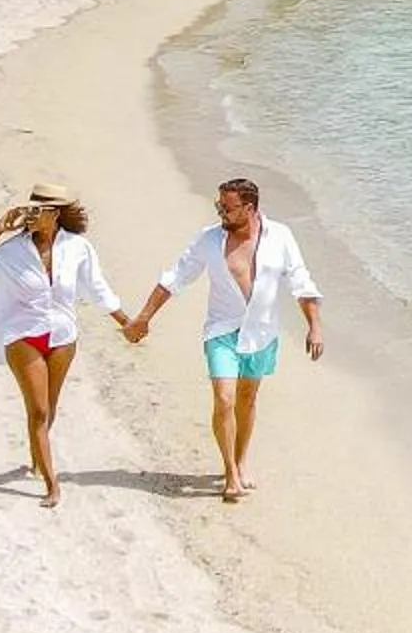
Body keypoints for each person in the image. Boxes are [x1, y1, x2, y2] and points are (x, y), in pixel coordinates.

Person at [125, 177, 323, 503]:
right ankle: (230, 473)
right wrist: (144, 317)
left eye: (227, 208)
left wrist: (314, 326)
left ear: (250, 208)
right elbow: (175, 278)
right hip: (221, 330)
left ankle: (241, 461)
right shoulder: (209, 240)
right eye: (219, 206)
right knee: (225, 399)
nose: (220, 213)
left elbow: (301, 282)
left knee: (247, 399)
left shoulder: (280, 236)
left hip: (261, 331)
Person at [0, 178, 132, 507]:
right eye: (29, 209)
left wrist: (126, 322)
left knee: (49, 408)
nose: (31, 216)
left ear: (55, 214)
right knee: (39, 410)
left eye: (39, 210)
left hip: (62, 336)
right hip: (23, 335)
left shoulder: (77, 248)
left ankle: (36, 458)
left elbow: (97, 288)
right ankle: (51, 483)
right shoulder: (13, 250)